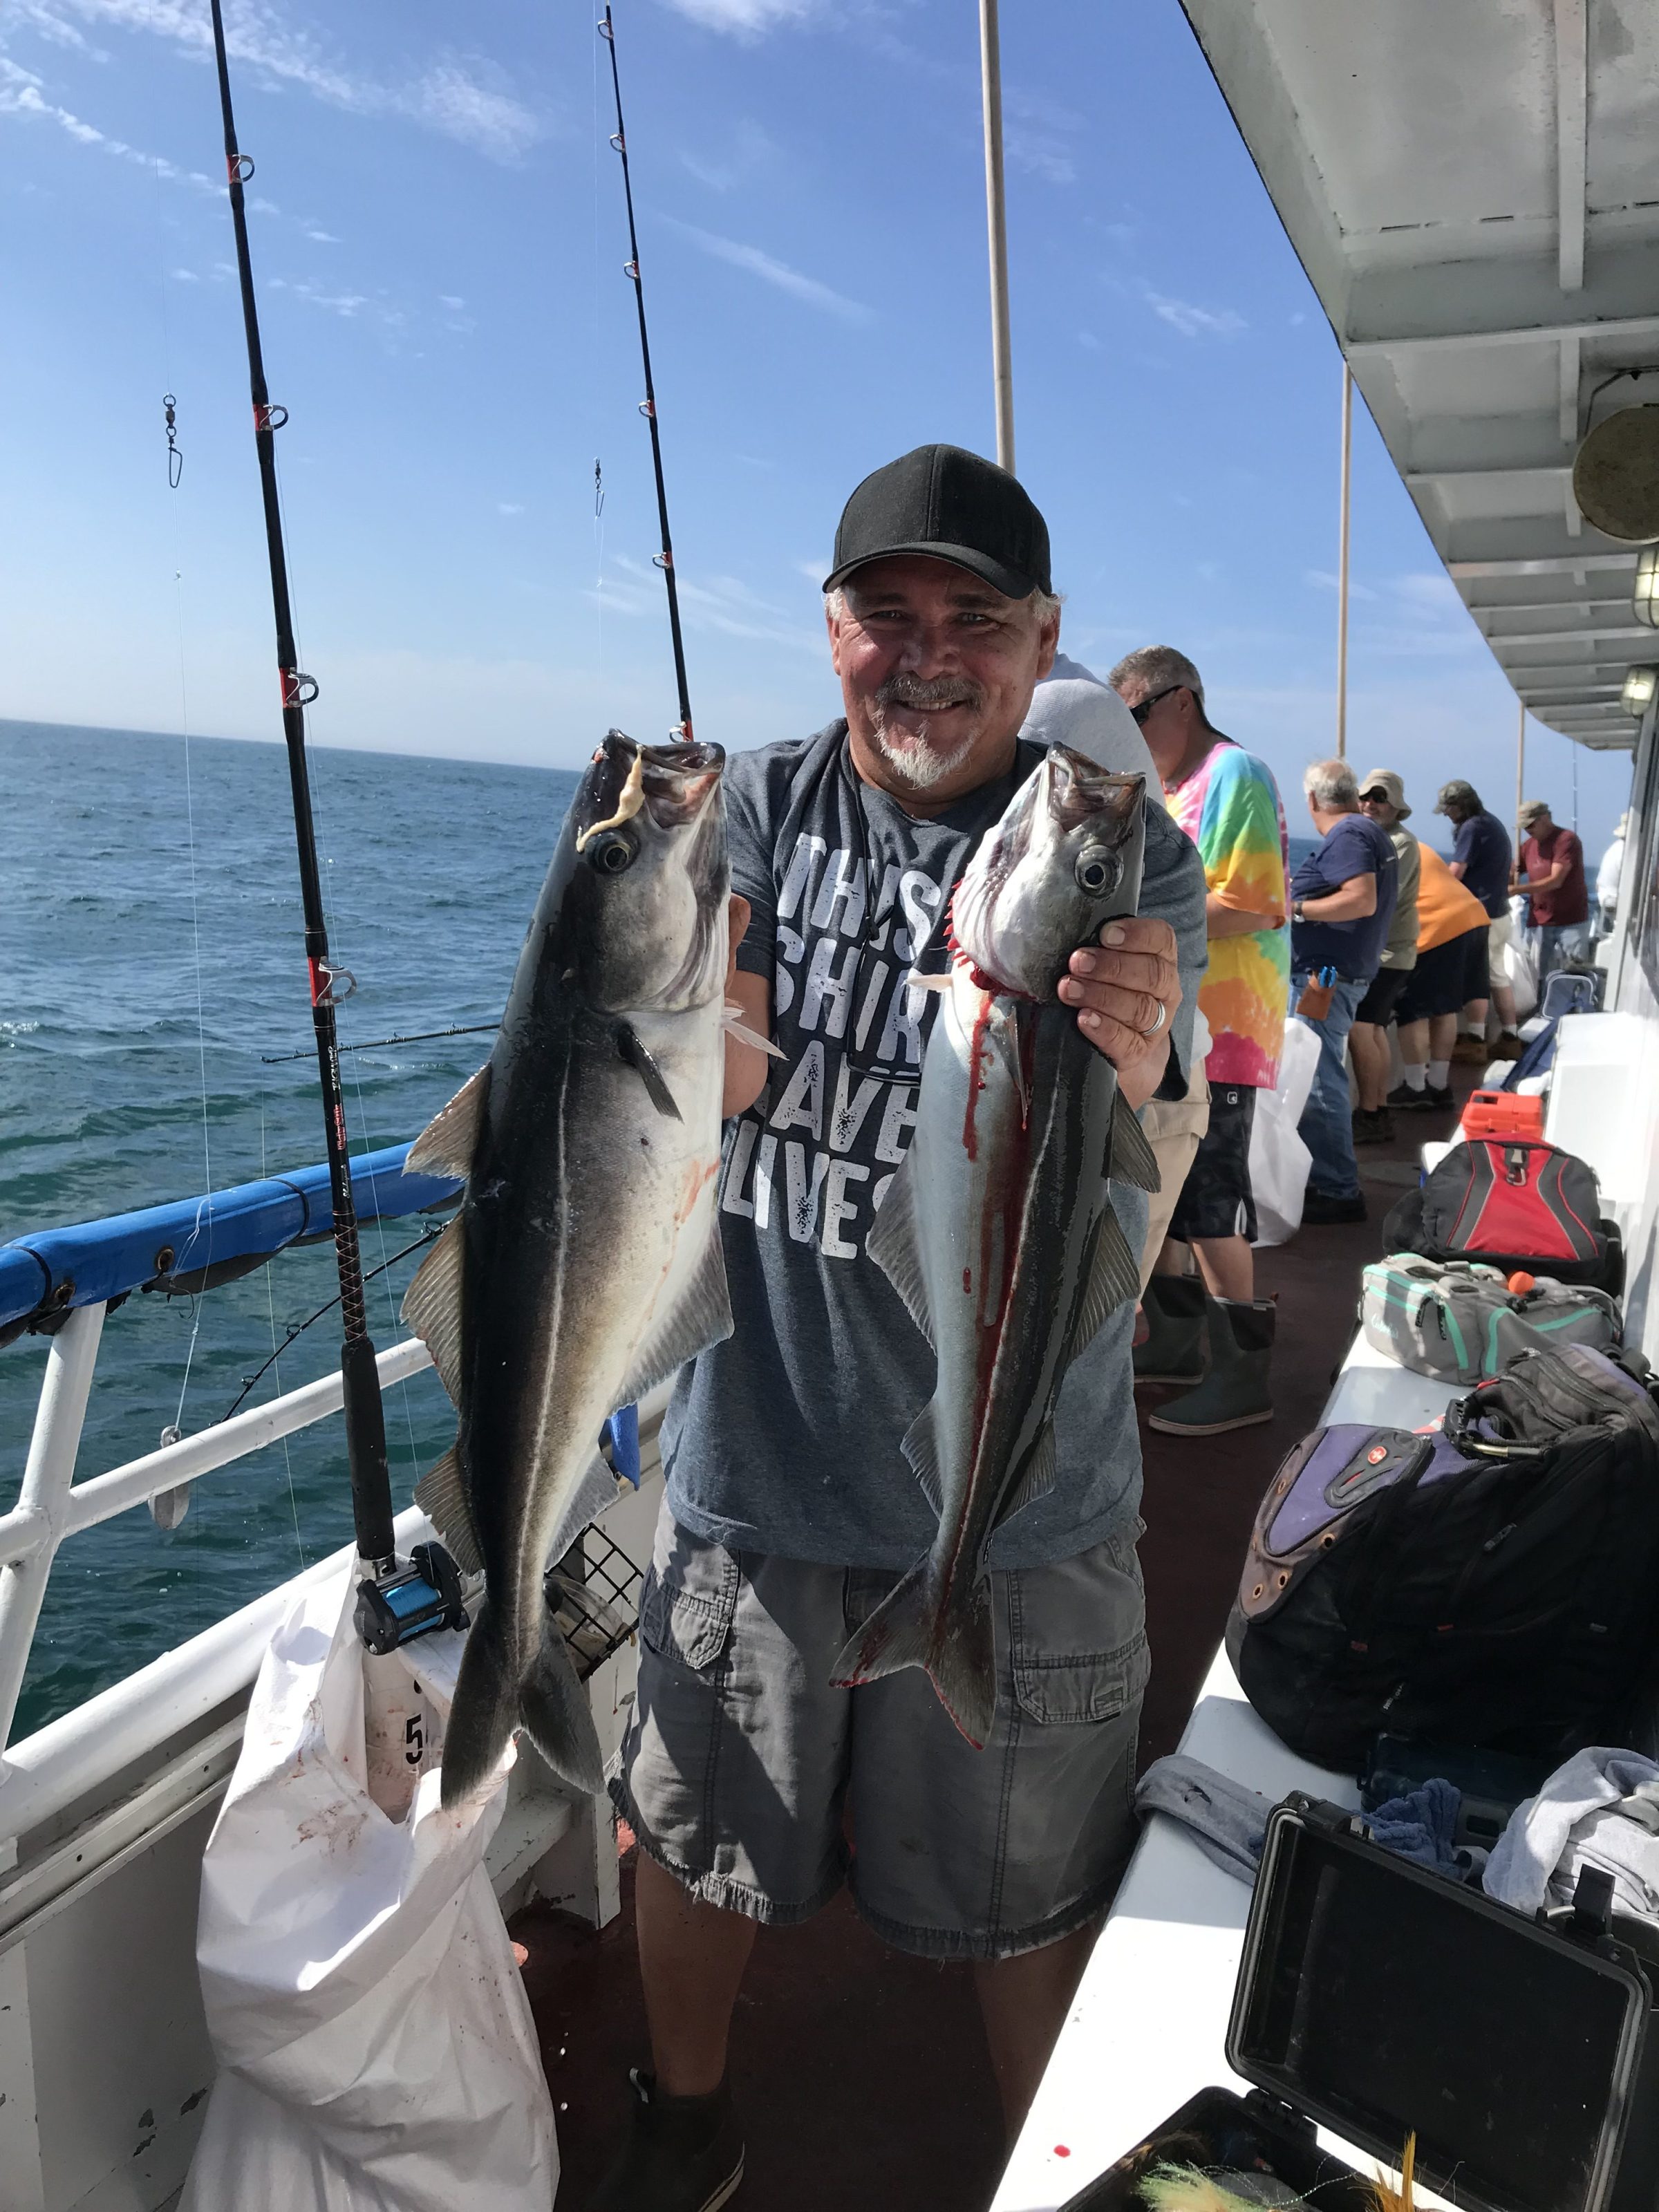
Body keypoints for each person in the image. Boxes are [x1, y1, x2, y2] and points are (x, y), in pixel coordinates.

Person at [590, 444, 1207, 2212]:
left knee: (1032, 1887)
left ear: (1042, 640)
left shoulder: (1115, 849)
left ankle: (1049, 2171)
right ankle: (679, 2113)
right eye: (887, 616)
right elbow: (655, 1093)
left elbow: (1138, 1190)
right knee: (693, 1844)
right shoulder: (750, 815)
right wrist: (681, 1052)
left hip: (1024, 1503)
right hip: (758, 1464)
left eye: (975, 621)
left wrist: (1151, 1087)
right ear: (831, 628)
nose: (927, 657)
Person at [1107, 646, 1288, 1435]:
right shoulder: (1169, 787)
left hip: (1229, 1028)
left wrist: (1127, 915)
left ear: (1180, 701)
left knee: (1212, 1201)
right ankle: (1179, 1344)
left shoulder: (1234, 773)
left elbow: (1252, 903)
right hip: (1176, 1026)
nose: (1131, 736)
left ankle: (1244, 1375)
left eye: (1135, 717)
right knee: (1168, 1196)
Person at [1287, 758, 1397, 1226]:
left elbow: (1360, 898)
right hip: (1340, 971)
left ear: (1312, 801)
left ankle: (1337, 1187)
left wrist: (1298, 910)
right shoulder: (1368, 831)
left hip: (1325, 976)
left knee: (1319, 1075)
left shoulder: (1350, 835)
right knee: (1322, 1069)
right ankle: (1330, 1178)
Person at [1387, 843, 1492, 1112]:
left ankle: (1416, 1087)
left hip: (1437, 926)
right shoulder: (1414, 843)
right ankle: (1439, 1084)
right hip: (1472, 918)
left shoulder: (1372, 847)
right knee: (1446, 1005)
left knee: (1414, 1009)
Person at [1349, 769, 1420, 1144]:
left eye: (1380, 798)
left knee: (1363, 1029)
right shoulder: (1379, 839)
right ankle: (1377, 1110)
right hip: (1386, 952)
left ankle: (1372, 1113)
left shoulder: (1400, 845)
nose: (1370, 804)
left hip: (1389, 953)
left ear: (1395, 806)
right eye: (1366, 796)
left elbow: (1377, 897)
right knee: (1374, 1029)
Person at [1435, 778, 1522, 1061]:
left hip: (1481, 916)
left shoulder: (1471, 828)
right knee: (1496, 975)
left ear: (1461, 806)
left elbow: (1456, 871)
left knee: (1477, 978)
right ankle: (1510, 1036)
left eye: (1448, 809)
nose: (1447, 814)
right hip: (1499, 912)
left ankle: (1475, 1038)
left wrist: (1430, 888)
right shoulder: (1491, 822)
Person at [1515, 798, 1591, 981]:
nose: (1528, 831)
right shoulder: (1528, 846)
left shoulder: (1566, 840)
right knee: (1534, 975)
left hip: (1571, 921)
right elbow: (1513, 872)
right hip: (1539, 921)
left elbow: (1556, 881)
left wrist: (1516, 890)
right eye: (1525, 827)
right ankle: (1538, 1007)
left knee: (1575, 974)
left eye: (1531, 825)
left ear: (1545, 819)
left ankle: (1575, 1008)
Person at [1595, 810, 1629, 941]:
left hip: (1606, 909)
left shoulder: (1614, 848)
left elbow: (1598, 885)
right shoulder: (1630, 852)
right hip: (1619, 912)